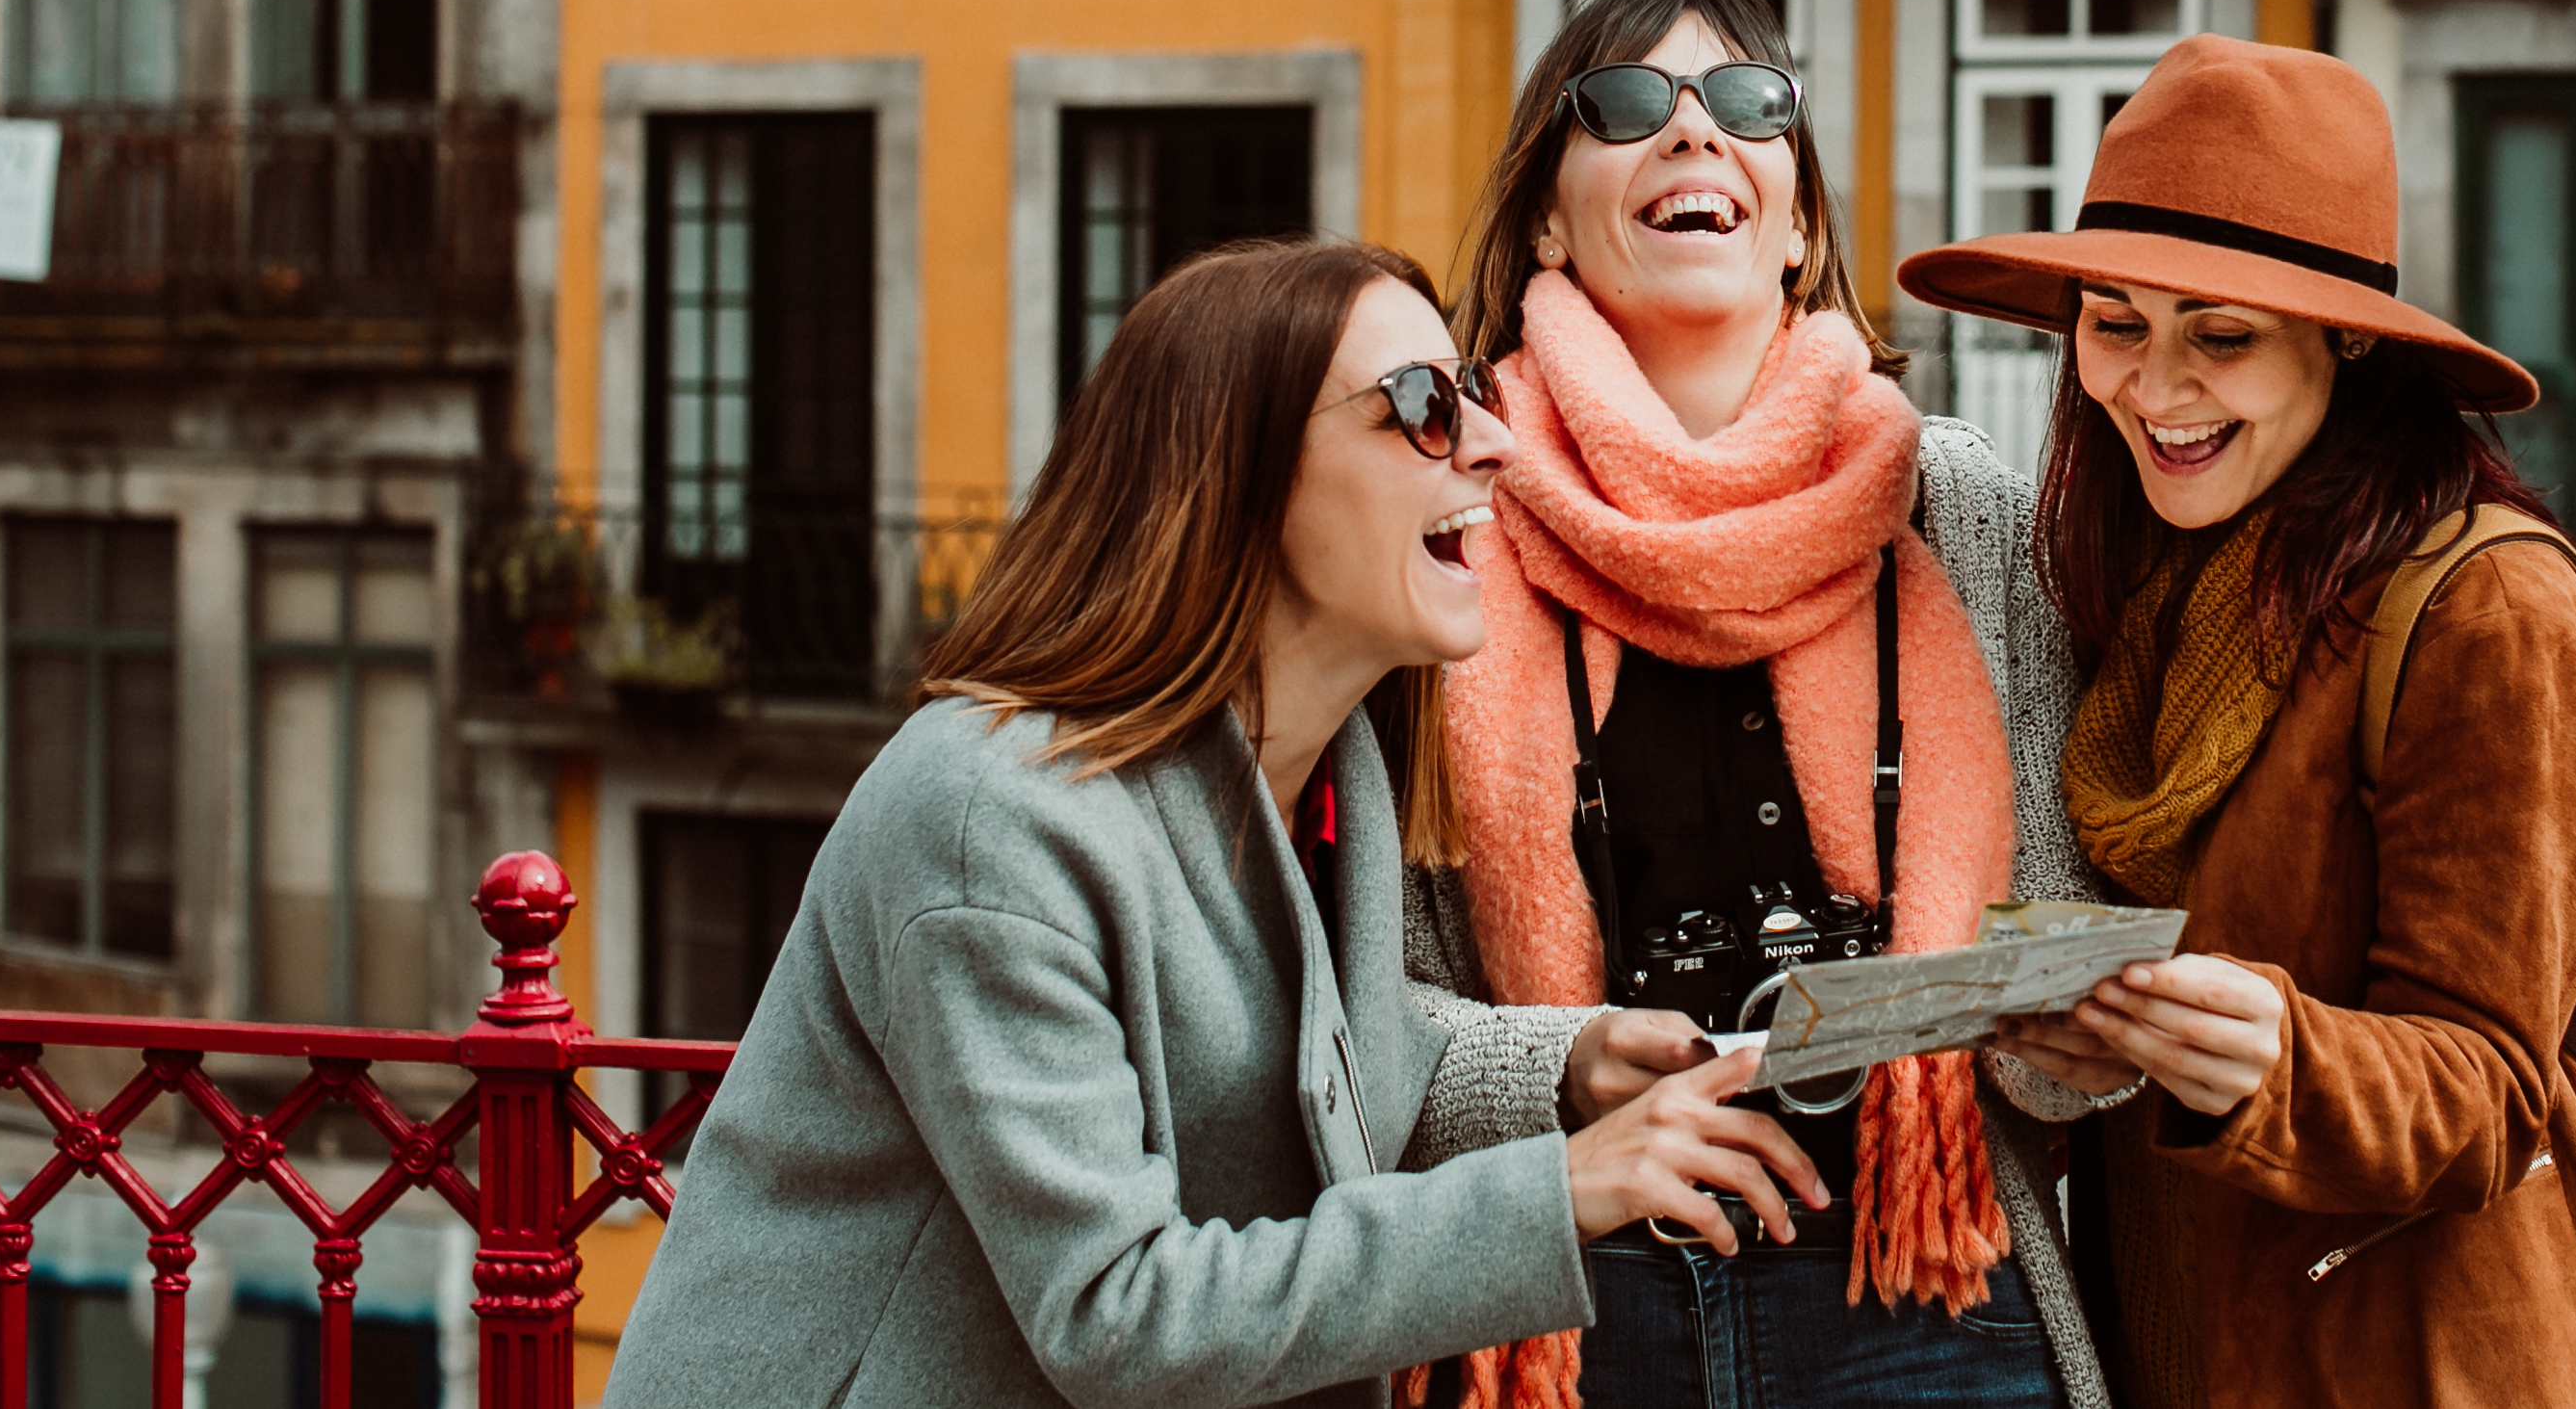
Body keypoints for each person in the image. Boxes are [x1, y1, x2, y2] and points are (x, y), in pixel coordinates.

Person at [604, 238, 1827, 1409]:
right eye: (1422, 401)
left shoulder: (1324, 773)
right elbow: (1116, 1311)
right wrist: (1553, 1195)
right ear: (1234, 471)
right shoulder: (989, 815)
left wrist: (1567, 1065)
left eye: (1472, 390)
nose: (1496, 442)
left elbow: (1308, 1055)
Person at [1899, 36, 2576, 1409]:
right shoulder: (2153, 582)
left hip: (2427, 1360)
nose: (2154, 388)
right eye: (2114, 322)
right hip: (2187, 1345)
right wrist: (2091, 1042)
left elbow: (2490, 1090)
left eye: (2219, 335)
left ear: (2341, 338)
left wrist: (2267, 1054)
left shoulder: (2490, 609)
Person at [1397, 0, 2108, 1409]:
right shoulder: (1438, 515)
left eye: (1743, 100)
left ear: (1794, 219)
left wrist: (2064, 1033)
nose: (1691, 131)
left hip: (1921, 1280)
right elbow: (1359, 999)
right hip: (1569, 1298)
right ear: (1545, 211)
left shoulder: (1950, 503)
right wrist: (1564, 1062)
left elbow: (2068, 919)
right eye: (1625, 102)